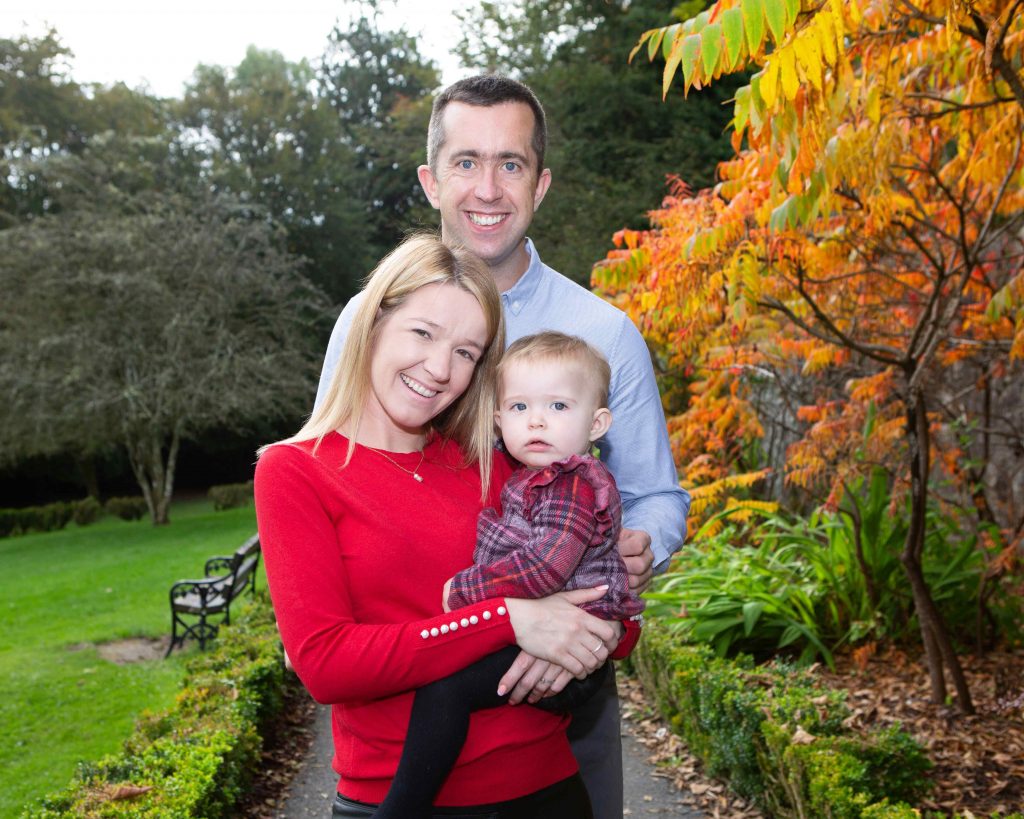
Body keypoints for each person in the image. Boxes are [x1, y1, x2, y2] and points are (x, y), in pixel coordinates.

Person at [316, 75, 691, 818]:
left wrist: (644, 539)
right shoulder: (370, 321)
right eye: (465, 162)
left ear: (541, 183)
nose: (487, 187)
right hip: (406, 707)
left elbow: (657, 491)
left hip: (558, 689)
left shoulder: (605, 333)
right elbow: (330, 478)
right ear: (430, 180)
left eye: (511, 164)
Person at [256, 234, 636, 819]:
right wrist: (507, 618)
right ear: (373, 322)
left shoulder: (492, 465)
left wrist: (597, 632)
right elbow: (326, 664)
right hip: (401, 801)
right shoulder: (296, 471)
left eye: (467, 352)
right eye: (423, 333)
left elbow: (612, 616)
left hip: (546, 790)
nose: (440, 369)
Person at [373, 331, 645, 819]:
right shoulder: (531, 476)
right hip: (552, 640)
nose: (536, 420)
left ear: (597, 422)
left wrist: (464, 591)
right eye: (519, 408)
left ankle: (400, 809)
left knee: (447, 688)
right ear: (498, 420)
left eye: (558, 406)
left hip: (574, 653)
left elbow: (545, 567)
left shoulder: (572, 483)